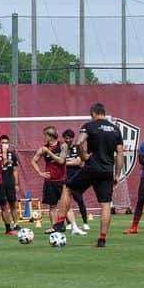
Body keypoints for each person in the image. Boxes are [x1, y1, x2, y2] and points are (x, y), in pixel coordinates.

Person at [52, 103, 124, 248]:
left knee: (67, 188)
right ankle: (102, 239)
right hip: (107, 171)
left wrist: (84, 156)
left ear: (93, 114)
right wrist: (117, 174)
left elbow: (79, 142)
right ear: (104, 113)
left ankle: (60, 222)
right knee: (105, 205)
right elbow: (120, 153)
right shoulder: (116, 130)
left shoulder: (89, 126)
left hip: (92, 167)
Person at [32, 126, 67, 227]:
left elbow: (61, 160)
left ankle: (72, 226)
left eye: (45, 135)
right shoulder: (43, 148)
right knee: (52, 206)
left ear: (50, 136)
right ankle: (54, 227)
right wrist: (40, 172)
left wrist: (48, 152)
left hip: (62, 180)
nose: (44, 137)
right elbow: (33, 161)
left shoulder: (63, 146)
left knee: (66, 205)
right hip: (50, 181)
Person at [62, 128, 90, 235]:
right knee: (66, 201)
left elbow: (78, 162)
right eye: (66, 138)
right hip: (65, 176)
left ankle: (85, 222)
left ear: (73, 138)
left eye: (69, 138)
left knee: (79, 199)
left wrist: (65, 162)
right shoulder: (63, 148)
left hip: (76, 176)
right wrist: (68, 162)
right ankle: (69, 223)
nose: (68, 140)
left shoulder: (76, 148)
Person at [0, 134, 22, 226]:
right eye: (3, 143)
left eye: (6, 143)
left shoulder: (12, 155)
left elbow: (15, 170)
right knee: (2, 205)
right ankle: (2, 225)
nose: (5, 144)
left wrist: (16, 184)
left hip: (10, 183)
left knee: (13, 204)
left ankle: (16, 223)